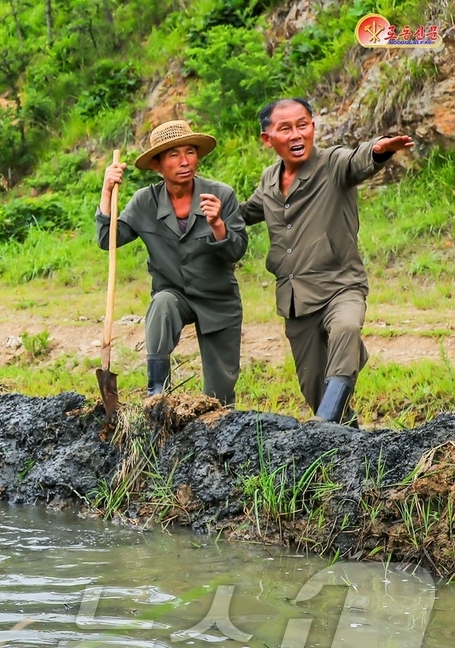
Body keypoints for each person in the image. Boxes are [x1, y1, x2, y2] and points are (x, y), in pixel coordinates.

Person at [240, 98, 414, 423]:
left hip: (340, 286)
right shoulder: (268, 180)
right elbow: (248, 212)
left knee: (346, 327)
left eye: (302, 125)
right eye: (285, 128)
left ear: (313, 127)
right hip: (295, 298)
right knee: (313, 387)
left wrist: (378, 150)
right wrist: (206, 210)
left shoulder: (332, 163)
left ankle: (325, 424)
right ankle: (345, 440)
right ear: (268, 139)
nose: (296, 135)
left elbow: (358, 161)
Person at [97, 120, 249, 406]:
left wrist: (217, 223)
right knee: (162, 303)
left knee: (220, 398)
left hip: (218, 299)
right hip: (175, 296)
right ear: (157, 165)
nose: (184, 162)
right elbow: (108, 238)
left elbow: (236, 251)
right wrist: (107, 191)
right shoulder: (145, 202)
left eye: (190, 152)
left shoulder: (221, 195)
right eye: (173, 155)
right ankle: (157, 396)